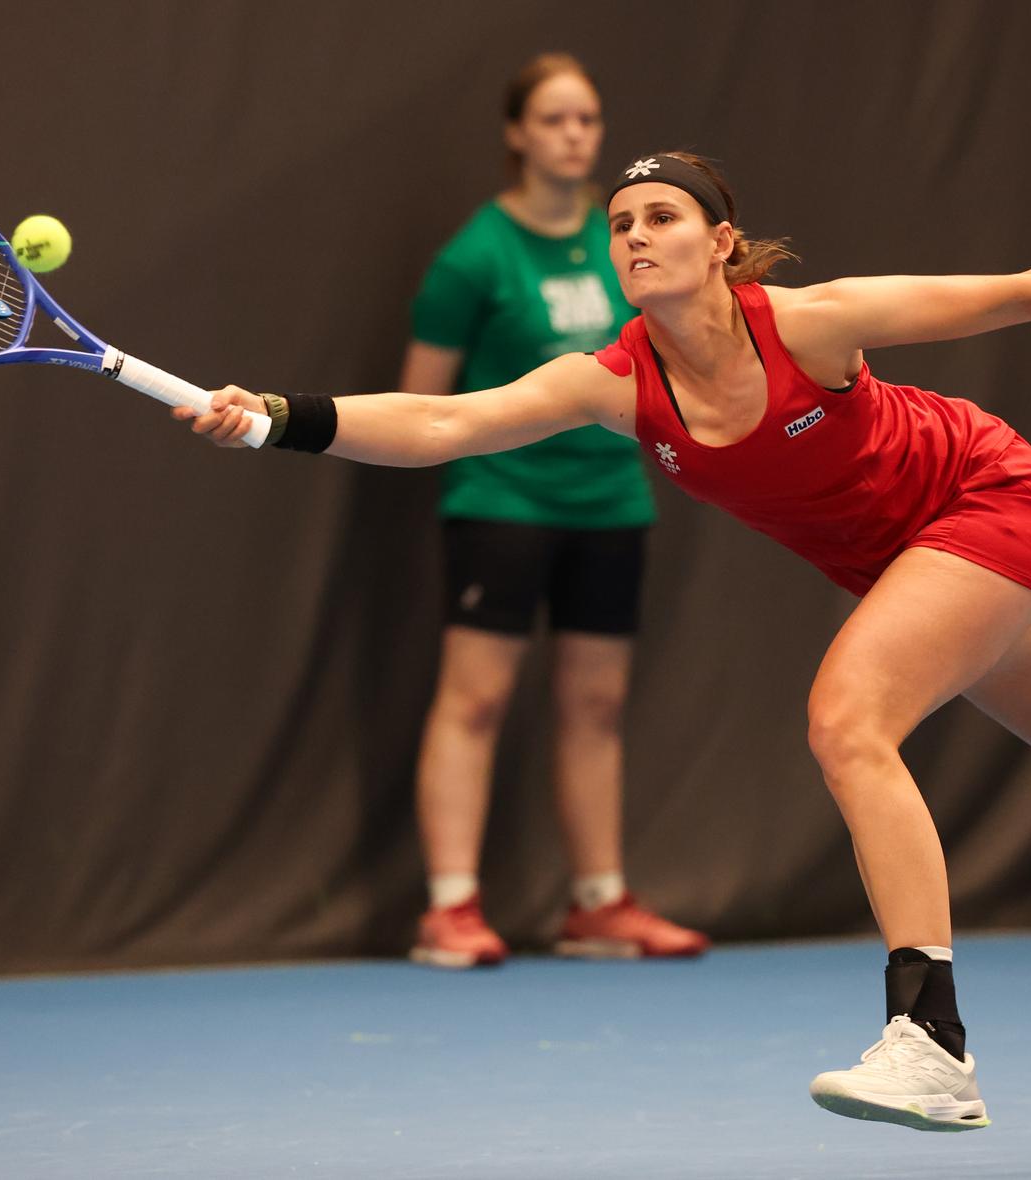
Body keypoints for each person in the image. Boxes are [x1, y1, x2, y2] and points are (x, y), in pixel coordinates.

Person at [179, 152, 1031, 1130]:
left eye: (661, 216)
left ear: (720, 242)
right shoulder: (614, 383)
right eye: (620, 225)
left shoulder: (812, 326)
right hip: (906, 562)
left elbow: (1012, 292)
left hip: (987, 502)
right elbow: (445, 419)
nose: (635, 236)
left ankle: (931, 1042)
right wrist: (279, 418)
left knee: (847, 719)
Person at [395, 56, 708, 968]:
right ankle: (450, 908)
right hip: (502, 502)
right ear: (518, 134)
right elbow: (422, 404)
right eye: (556, 119)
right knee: (477, 698)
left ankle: (598, 904)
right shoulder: (473, 258)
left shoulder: (629, 247)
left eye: (588, 119)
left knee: (597, 704)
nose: (576, 135)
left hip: (612, 500)